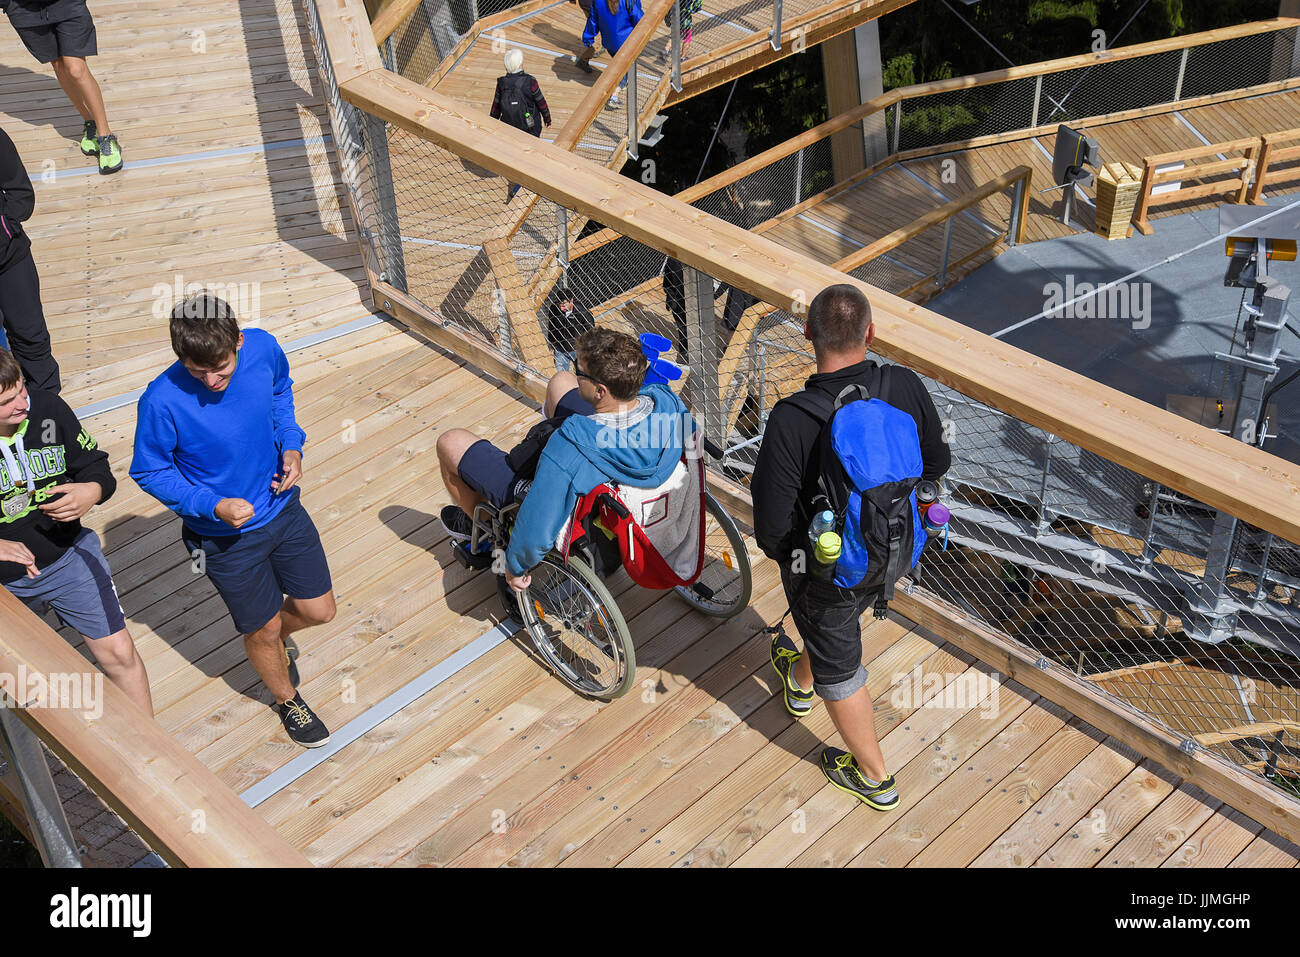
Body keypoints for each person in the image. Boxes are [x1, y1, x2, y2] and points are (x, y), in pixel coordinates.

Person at [752, 284, 950, 811]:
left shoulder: (792, 418)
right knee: (835, 628)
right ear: (871, 333)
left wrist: (797, 562)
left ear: (807, 332)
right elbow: (936, 463)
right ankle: (799, 681)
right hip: (900, 549)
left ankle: (875, 777)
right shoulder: (903, 386)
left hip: (826, 568)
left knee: (841, 666)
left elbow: (770, 524)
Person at [130, 294, 336, 748]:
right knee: (261, 629)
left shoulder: (263, 349)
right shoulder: (161, 400)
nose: (210, 380)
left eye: (220, 368)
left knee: (318, 610)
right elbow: (149, 470)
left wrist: (292, 444)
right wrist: (211, 504)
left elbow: (281, 393)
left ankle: (272, 642)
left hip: (283, 508)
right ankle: (287, 698)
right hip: (222, 538)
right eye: (196, 371)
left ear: (238, 342)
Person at [436, 326, 689, 591]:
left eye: (581, 372)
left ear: (600, 391)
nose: (576, 374)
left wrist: (514, 566)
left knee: (449, 442)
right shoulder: (666, 403)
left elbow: (541, 516)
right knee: (560, 382)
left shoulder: (570, 446)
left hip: (576, 496)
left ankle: (484, 523)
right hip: (631, 472)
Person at [0, 349, 152, 716]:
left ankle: (151, 755)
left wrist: (92, 491)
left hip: (67, 557)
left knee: (119, 653)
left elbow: (95, 467)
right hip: (5, 584)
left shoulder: (48, 409)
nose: (23, 403)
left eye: (22, 389)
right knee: (16, 682)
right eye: (7, 401)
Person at [0, 0, 122, 173]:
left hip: (66, 3)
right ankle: (90, 123)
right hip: (24, 10)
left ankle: (106, 136)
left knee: (76, 69)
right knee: (58, 65)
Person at [0, 127, 60, 395]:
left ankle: (48, 414)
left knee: (32, 341)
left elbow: (21, 193)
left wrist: (4, 229)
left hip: (11, 258)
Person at [491, 49, 552, 202]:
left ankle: (518, 181)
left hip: (510, 126)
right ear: (520, 64)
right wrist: (547, 118)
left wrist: (492, 122)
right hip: (530, 126)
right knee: (530, 154)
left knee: (517, 155)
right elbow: (541, 102)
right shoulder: (530, 82)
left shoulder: (501, 83)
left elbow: (496, 106)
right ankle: (522, 185)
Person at [575, 0, 644, 111]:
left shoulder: (597, 2)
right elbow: (640, 19)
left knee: (621, 66)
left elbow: (592, 21)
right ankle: (613, 96)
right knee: (625, 70)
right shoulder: (627, 1)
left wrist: (588, 38)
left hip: (609, 43)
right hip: (627, 43)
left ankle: (620, 85)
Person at [543, 284, 594, 372]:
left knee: (582, 375)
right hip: (560, 349)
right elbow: (551, 326)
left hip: (578, 349)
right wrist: (552, 341)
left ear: (571, 301)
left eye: (564, 304)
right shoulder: (554, 309)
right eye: (559, 304)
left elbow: (591, 330)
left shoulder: (582, 311)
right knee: (561, 377)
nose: (561, 308)